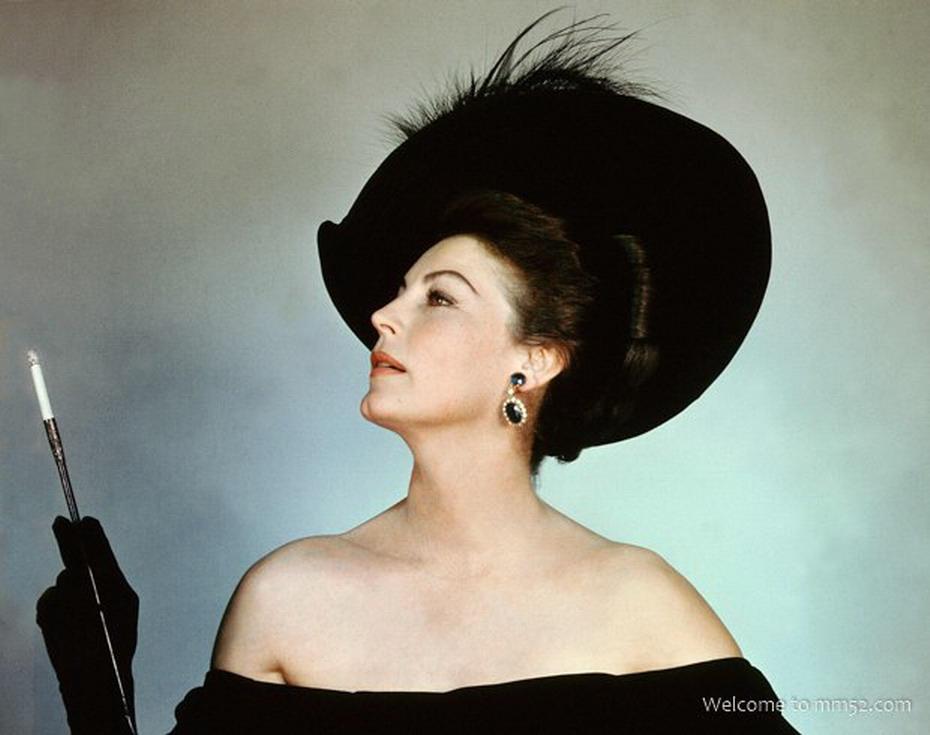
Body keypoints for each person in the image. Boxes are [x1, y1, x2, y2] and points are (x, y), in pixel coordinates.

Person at [37, 14, 800, 734]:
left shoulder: (640, 604)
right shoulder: (286, 598)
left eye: (439, 297)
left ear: (534, 359)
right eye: (400, 290)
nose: (383, 315)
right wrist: (100, 700)